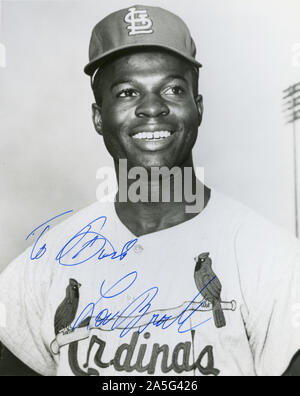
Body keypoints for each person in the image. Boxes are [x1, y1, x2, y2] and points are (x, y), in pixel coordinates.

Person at [0, 4, 300, 377]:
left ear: (198, 107)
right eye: (127, 92)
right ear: (98, 116)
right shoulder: (42, 268)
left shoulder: (272, 259)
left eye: (173, 89)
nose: (153, 107)